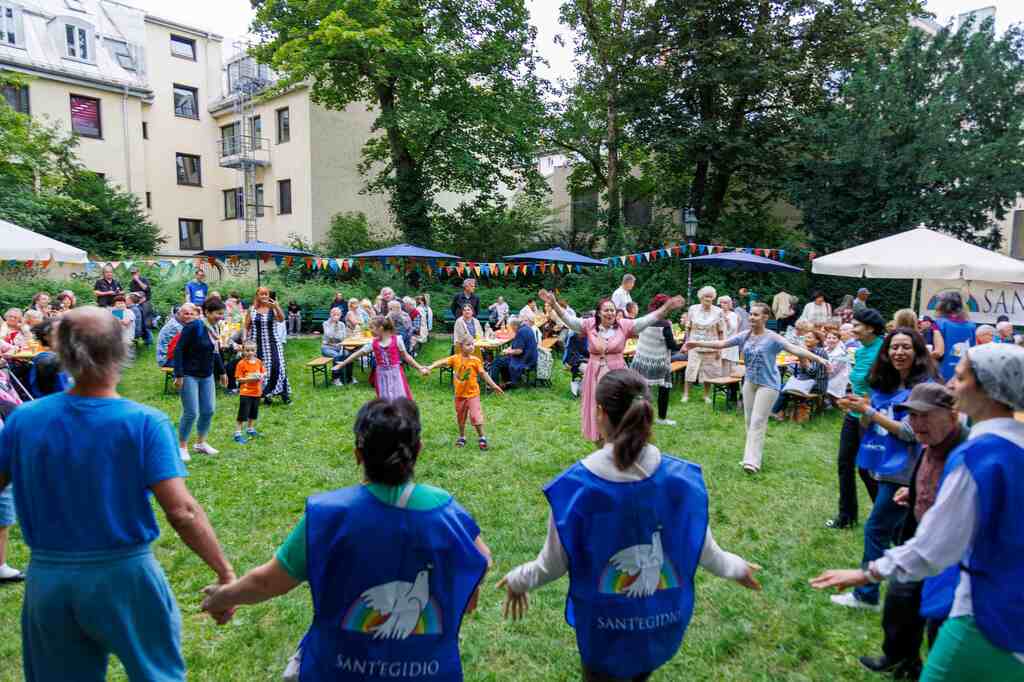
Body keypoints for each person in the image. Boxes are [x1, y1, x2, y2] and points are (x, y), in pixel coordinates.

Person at [0, 306, 236, 682]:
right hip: (125, 575)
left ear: (62, 353)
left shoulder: (23, 421)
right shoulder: (143, 422)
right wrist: (225, 573)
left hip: (49, 579)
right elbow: (182, 512)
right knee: (157, 675)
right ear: (121, 351)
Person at [200, 398, 491, 681]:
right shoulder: (445, 510)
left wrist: (222, 597)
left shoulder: (329, 515)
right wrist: (469, 591)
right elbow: (482, 559)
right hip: (429, 668)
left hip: (338, 668)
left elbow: (268, 582)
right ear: (419, 450)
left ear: (358, 455)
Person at [498, 370, 762, 682]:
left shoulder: (577, 487)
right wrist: (736, 567)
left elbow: (552, 564)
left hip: (603, 631)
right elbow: (707, 552)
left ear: (599, 413)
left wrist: (518, 579)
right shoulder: (680, 480)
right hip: (657, 627)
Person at [811, 343, 1024, 682]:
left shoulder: (978, 455)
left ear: (988, 388)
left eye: (960, 378)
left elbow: (933, 547)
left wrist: (865, 574)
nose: (951, 386)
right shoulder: (1016, 446)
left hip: (986, 616)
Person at [856, 383, 968, 680]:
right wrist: (914, 489)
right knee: (899, 599)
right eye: (912, 417)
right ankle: (900, 658)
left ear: (952, 415)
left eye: (925, 416)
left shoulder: (967, 450)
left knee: (937, 619)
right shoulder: (932, 440)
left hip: (949, 549)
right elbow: (928, 472)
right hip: (917, 531)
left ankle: (933, 669)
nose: (917, 424)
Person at [833, 328, 937, 611]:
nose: (898, 353)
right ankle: (914, 592)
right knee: (902, 534)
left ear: (917, 352)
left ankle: (867, 594)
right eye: (893, 348)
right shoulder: (885, 385)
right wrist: (860, 410)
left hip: (908, 470)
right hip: (885, 465)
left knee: (877, 529)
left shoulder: (922, 388)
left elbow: (910, 432)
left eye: (905, 347)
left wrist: (869, 412)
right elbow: (873, 427)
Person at [686, 302, 829, 473]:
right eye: (751, 314)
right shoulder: (745, 335)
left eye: (756, 315)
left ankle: (752, 462)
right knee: (749, 421)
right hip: (750, 383)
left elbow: (795, 349)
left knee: (758, 421)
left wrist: (820, 360)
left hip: (768, 385)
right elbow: (721, 343)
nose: (751, 317)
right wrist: (695, 343)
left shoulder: (773, 337)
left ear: (765, 317)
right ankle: (751, 454)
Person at [541, 290, 685, 444]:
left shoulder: (624, 326)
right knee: (598, 409)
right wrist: (554, 304)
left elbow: (648, 319)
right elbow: (568, 319)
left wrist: (667, 307)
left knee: (619, 408)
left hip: (617, 374)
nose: (610, 313)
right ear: (598, 313)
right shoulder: (589, 325)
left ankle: (619, 440)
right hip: (595, 374)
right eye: (606, 310)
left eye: (612, 310)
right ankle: (600, 442)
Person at [827, 307, 887, 529]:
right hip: (854, 414)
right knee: (844, 463)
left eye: (857, 325)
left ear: (870, 328)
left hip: (873, 416)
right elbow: (858, 382)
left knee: (867, 468)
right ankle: (846, 517)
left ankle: (884, 517)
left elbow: (886, 387)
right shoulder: (861, 350)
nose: (853, 329)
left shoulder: (884, 351)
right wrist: (849, 399)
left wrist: (868, 407)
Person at [422, 339, 505, 450]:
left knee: (476, 416)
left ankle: (482, 437)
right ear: (461, 347)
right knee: (461, 417)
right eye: (468, 345)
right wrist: (430, 367)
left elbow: (483, 374)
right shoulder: (455, 358)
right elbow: (442, 362)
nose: (471, 347)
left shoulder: (476, 360)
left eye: (472, 345)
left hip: (473, 394)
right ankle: (462, 437)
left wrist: (494, 386)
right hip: (460, 395)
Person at [174, 298, 228, 462]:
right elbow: (179, 350)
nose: (221, 316)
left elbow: (215, 351)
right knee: (191, 412)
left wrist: (222, 372)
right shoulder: (194, 326)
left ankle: (200, 443)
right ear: (207, 312)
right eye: (218, 313)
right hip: (189, 374)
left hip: (207, 374)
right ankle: (182, 446)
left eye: (222, 313)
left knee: (209, 410)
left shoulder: (214, 327)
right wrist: (178, 374)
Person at [335, 316, 426, 401]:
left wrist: (420, 368)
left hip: (396, 374)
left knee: (399, 395)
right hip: (381, 375)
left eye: (372, 328)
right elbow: (357, 354)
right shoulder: (373, 343)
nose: (370, 330)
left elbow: (406, 357)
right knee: (384, 398)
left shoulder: (397, 340)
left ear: (381, 329)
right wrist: (342, 364)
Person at [630, 294, 683, 426]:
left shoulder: (643, 319)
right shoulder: (664, 325)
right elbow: (672, 346)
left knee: (640, 391)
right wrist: (684, 345)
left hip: (640, 360)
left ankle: (637, 418)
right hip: (657, 362)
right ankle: (661, 418)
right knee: (664, 389)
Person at [244, 287, 290, 405]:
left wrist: (276, 306)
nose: (264, 296)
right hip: (257, 344)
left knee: (278, 366)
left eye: (266, 294)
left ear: (269, 295)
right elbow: (246, 326)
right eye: (261, 294)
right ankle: (266, 395)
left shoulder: (272, 308)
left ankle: (284, 394)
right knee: (260, 370)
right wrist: (245, 341)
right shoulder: (252, 309)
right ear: (257, 295)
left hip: (273, 342)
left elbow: (281, 319)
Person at [772, 329, 830, 420]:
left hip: (817, 385)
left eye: (809, 337)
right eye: (805, 337)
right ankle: (778, 412)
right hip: (806, 382)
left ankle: (774, 412)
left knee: (784, 388)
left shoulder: (819, 352)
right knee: (779, 386)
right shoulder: (807, 350)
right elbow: (800, 371)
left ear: (817, 341)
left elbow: (812, 372)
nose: (806, 339)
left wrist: (803, 359)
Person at [684, 286, 726, 404]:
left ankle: (706, 395)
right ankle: (686, 394)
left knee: (708, 371)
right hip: (694, 345)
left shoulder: (718, 312)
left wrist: (719, 349)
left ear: (713, 298)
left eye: (710, 296)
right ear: (700, 297)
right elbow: (688, 328)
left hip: (711, 346)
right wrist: (686, 344)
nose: (708, 299)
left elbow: (721, 331)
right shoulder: (692, 309)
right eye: (706, 296)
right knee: (691, 370)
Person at [932, 292, 976, 382]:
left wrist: (920, 355)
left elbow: (939, 352)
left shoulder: (939, 323)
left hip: (943, 375)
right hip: (964, 375)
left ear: (941, 305)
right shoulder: (971, 326)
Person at [488, 316, 539, 389]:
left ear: (515, 326)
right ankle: (507, 382)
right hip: (531, 357)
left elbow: (519, 351)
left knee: (497, 361)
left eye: (510, 327)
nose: (510, 329)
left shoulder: (521, 332)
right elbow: (519, 344)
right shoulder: (526, 328)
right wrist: (510, 349)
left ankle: (494, 386)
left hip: (525, 360)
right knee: (502, 359)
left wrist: (507, 352)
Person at [233, 342, 265, 445]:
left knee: (253, 413)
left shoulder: (259, 362)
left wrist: (261, 375)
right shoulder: (241, 364)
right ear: (243, 351)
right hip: (246, 393)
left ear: (255, 351)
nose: (249, 352)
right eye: (247, 350)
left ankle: (250, 429)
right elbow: (239, 379)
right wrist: (249, 378)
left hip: (257, 392)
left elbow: (264, 372)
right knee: (243, 414)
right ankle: (237, 434)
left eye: (252, 350)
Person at [320, 307, 354, 386]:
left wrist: (337, 336)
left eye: (338, 314)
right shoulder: (326, 323)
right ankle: (335, 378)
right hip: (327, 347)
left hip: (339, 347)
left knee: (349, 355)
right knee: (337, 356)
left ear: (340, 315)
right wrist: (333, 325)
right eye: (334, 314)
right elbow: (329, 335)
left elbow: (343, 337)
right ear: (330, 314)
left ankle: (349, 377)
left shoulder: (341, 324)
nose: (335, 316)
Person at [825, 329, 852, 399]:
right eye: (829, 338)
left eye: (834, 338)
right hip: (826, 375)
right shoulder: (825, 350)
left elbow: (833, 372)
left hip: (837, 378)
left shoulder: (842, 354)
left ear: (839, 340)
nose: (831, 340)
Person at [718, 295, 741, 375]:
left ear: (729, 304)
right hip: (719, 341)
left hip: (730, 342)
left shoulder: (733, 315)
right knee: (720, 363)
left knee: (729, 364)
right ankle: (720, 383)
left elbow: (733, 329)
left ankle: (730, 383)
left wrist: (727, 321)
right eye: (721, 303)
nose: (722, 304)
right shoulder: (718, 314)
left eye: (725, 303)